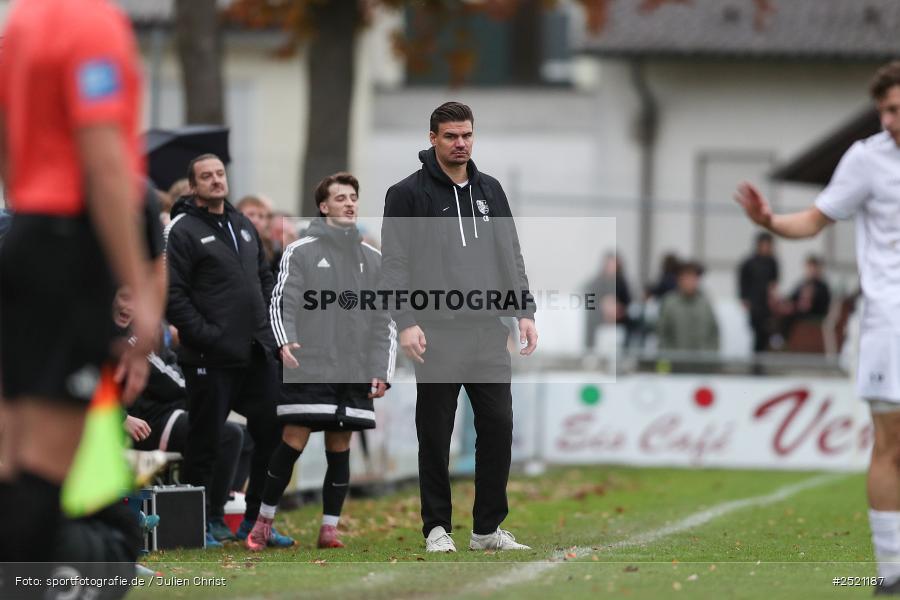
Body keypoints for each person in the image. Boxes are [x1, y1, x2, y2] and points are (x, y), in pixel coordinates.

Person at [0, 0, 159, 579]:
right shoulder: (91, 22)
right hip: (71, 241)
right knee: (43, 469)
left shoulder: (24, 19)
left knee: (13, 458)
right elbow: (104, 159)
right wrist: (136, 281)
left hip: (31, 229)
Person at [735, 61, 900, 595]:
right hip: (888, 323)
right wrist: (771, 222)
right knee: (890, 446)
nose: (893, 120)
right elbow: (814, 219)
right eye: (887, 111)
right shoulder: (866, 160)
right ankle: (892, 571)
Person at [380, 101, 538, 553]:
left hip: (488, 330)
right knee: (435, 432)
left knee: (499, 425)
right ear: (433, 138)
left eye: (467, 134)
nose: (460, 143)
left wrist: (524, 312)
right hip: (435, 332)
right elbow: (394, 265)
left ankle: (487, 530)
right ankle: (436, 528)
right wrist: (406, 321)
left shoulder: (490, 190)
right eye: (451, 136)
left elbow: (511, 254)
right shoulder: (406, 194)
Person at [246, 172, 395, 551]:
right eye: (340, 198)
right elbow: (283, 301)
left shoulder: (374, 260)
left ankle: (329, 529)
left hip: (354, 370)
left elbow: (384, 321)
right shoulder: (302, 250)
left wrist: (382, 369)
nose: (349, 203)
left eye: (353, 198)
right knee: (292, 439)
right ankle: (263, 522)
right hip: (309, 364)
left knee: (340, 445)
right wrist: (285, 341)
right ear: (323, 206)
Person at [164, 153, 293, 548]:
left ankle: (256, 521)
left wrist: (270, 329)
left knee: (272, 433)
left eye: (220, 174)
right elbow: (173, 294)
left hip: (256, 351)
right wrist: (206, 334)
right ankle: (202, 521)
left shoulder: (241, 223)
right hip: (209, 356)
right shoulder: (182, 229)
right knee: (205, 440)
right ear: (193, 186)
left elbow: (264, 276)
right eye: (207, 176)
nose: (217, 181)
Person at [113, 287, 244, 548]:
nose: (129, 307)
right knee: (223, 434)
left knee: (242, 436)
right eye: (124, 297)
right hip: (148, 420)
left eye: (135, 299)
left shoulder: (147, 329)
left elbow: (171, 367)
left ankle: (213, 514)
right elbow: (168, 381)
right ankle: (201, 519)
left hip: (160, 413)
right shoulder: (111, 335)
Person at [656, 261, 719, 353]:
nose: (690, 282)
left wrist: (710, 355)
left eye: (693, 278)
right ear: (679, 280)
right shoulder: (669, 303)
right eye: (686, 277)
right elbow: (662, 333)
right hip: (676, 362)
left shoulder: (705, 303)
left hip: (702, 363)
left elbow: (714, 332)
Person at [738, 232, 779, 356]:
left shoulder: (772, 262)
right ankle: (756, 363)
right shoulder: (749, 263)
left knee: (766, 333)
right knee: (757, 332)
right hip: (754, 305)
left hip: (767, 305)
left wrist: (773, 299)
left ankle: (761, 361)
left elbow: (774, 283)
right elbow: (742, 283)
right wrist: (745, 300)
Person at [779, 254, 832, 343]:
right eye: (809, 268)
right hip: (801, 311)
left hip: (816, 313)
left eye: (813, 268)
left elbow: (822, 303)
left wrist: (810, 298)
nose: (811, 271)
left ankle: (784, 339)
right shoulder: (803, 284)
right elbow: (792, 297)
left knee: (791, 316)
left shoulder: (822, 286)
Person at [237, 194, 275, 266]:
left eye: (261, 216)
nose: (256, 220)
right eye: (251, 214)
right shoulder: (230, 243)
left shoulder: (272, 249)